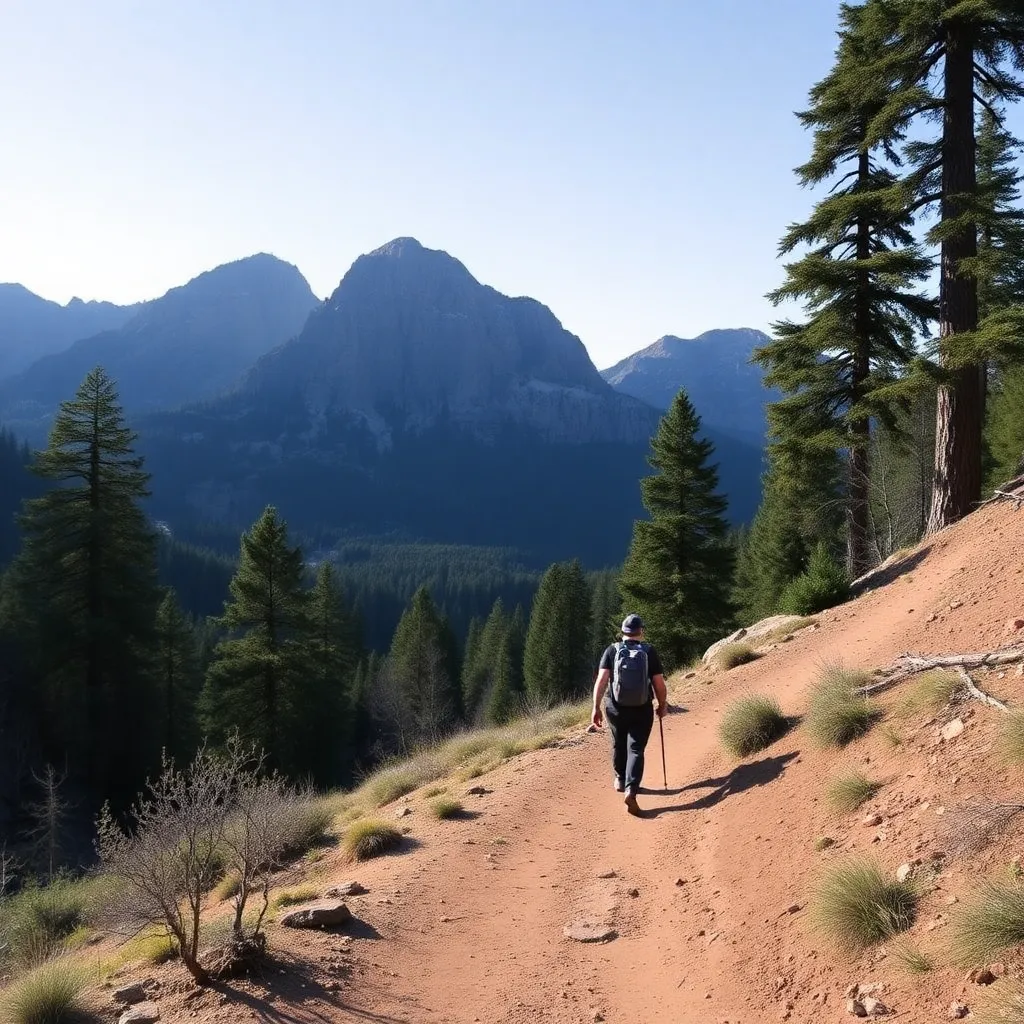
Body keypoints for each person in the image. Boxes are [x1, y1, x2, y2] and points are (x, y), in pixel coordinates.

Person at [591, 613, 668, 816]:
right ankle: (631, 789)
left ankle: (619, 779)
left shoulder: (612, 650)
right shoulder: (649, 651)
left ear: (623, 631)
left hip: (615, 707)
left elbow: (601, 680)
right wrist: (662, 704)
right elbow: (659, 683)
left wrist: (595, 707)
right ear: (640, 631)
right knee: (636, 748)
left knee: (618, 741)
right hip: (642, 708)